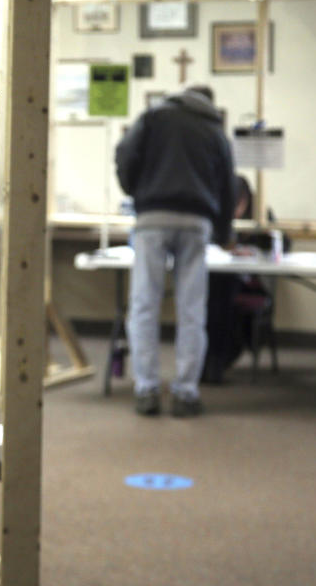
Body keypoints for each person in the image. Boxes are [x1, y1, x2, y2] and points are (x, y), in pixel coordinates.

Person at [115, 85, 234, 417]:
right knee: (192, 310)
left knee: (143, 305)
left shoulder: (154, 117)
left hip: (153, 216)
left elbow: (125, 153)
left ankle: (147, 389)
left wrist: (136, 190)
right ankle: (185, 392)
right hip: (197, 221)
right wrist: (224, 233)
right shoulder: (214, 130)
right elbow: (228, 184)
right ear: (209, 103)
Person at [202, 175, 290, 383]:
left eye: (240, 205)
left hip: (250, 283)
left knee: (222, 297)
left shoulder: (260, 213)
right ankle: (210, 360)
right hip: (218, 277)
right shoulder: (215, 211)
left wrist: (251, 249)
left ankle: (216, 360)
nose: (236, 212)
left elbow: (283, 244)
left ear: (247, 200)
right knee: (215, 294)